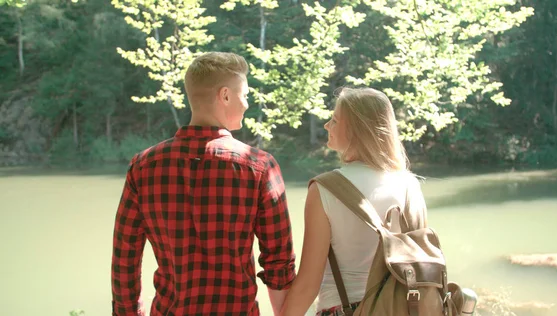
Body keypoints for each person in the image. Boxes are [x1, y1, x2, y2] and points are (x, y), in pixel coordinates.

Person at [111, 52, 296, 316]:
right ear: (225, 95)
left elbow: (124, 260)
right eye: (244, 95)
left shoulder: (143, 167)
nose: (246, 104)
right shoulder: (260, 167)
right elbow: (279, 264)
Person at [280, 87, 428, 316]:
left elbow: (308, 285)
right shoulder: (410, 185)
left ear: (358, 130)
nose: (327, 126)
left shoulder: (325, 189)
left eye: (335, 120)